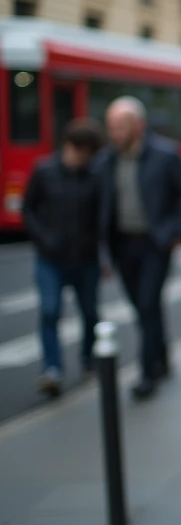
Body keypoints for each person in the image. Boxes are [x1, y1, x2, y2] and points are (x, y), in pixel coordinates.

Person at [96, 97, 181, 401]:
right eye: (111, 127)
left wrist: (178, 232)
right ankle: (162, 354)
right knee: (143, 307)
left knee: (148, 302)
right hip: (122, 244)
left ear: (138, 126)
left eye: (121, 127)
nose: (115, 134)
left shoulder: (165, 155)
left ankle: (147, 373)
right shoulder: (106, 161)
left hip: (155, 243)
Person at [21, 118, 106, 398]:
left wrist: (102, 253)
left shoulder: (94, 176)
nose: (83, 159)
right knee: (49, 311)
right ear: (69, 147)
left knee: (90, 312)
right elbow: (28, 209)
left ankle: (89, 360)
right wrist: (43, 239)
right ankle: (52, 369)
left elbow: (102, 218)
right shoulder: (44, 171)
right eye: (81, 152)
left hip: (85, 258)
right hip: (51, 258)